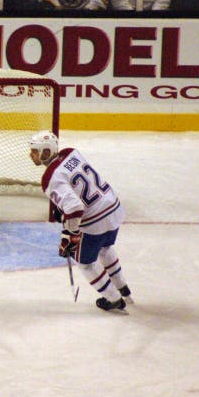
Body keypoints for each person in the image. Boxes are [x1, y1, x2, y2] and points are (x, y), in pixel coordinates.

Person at [29, 130, 132, 312]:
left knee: (85, 263)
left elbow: (75, 208)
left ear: (46, 152)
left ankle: (114, 299)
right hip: (113, 207)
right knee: (105, 248)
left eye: (35, 151)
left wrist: (69, 235)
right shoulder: (71, 152)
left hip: (95, 221)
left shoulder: (49, 179)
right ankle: (122, 287)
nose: (31, 155)